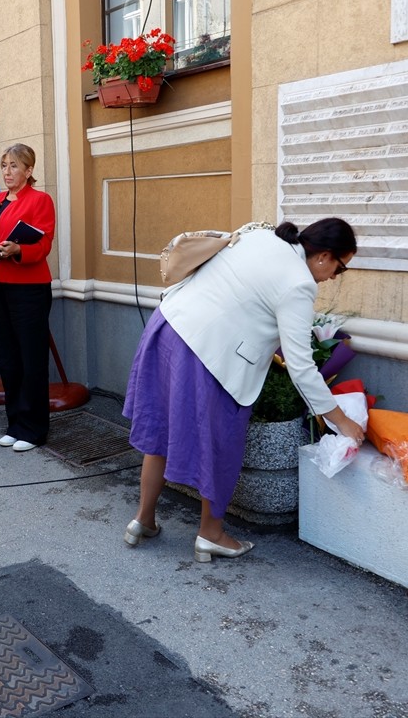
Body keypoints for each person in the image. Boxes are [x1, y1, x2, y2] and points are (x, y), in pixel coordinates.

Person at [122, 218, 367, 563]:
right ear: (325, 256)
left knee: (162, 430)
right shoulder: (299, 283)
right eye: (340, 269)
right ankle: (211, 535)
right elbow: (301, 367)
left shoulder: (261, 235)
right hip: (207, 354)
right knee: (220, 445)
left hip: (168, 327)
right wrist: (342, 421)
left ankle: (142, 520)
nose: (333, 278)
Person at [0, 144, 56, 453]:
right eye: (4, 166)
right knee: (8, 358)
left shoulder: (40, 200)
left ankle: (34, 429)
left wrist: (19, 249)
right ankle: (16, 423)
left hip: (29, 288)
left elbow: (43, 245)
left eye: (14, 166)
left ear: (29, 170)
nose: (7, 172)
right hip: (0, 284)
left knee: (31, 358)